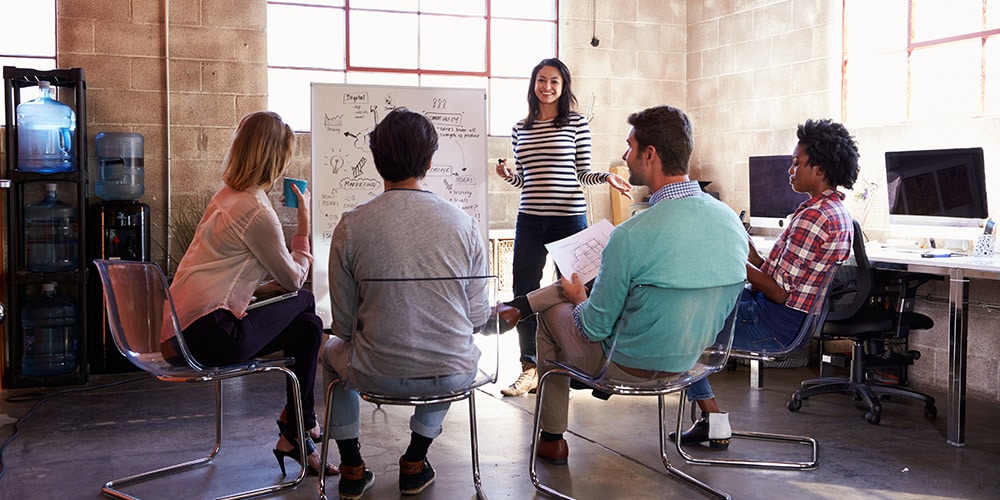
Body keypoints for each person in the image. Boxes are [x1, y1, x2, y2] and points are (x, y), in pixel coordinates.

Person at [501, 104, 749, 464]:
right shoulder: (731, 222)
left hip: (630, 365)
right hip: (694, 361)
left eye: (629, 146)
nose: (624, 155)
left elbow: (592, 326)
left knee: (553, 314)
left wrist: (579, 297)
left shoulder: (631, 234)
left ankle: (552, 438)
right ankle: (518, 305)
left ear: (650, 155)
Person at [322, 107, 491, 499]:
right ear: (431, 161)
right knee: (454, 350)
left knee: (328, 354)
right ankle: (415, 461)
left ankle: (350, 467)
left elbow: (344, 328)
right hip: (448, 374)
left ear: (376, 161)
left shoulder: (350, 226)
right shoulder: (464, 225)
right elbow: (478, 318)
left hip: (373, 371)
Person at [166, 111, 337, 476]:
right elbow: (294, 280)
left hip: (182, 331)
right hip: (212, 337)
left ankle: (295, 434)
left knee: (308, 328)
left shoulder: (225, 198)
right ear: (276, 160)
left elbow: (218, 273)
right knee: (306, 301)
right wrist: (304, 227)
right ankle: (301, 424)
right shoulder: (256, 210)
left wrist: (260, 290)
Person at [670, 118, 858, 450]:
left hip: (774, 321)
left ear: (820, 168)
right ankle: (709, 421)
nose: (790, 169)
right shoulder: (830, 209)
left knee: (682, 324)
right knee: (692, 307)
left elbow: (778, 290)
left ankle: (713, 420)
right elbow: (773, 272)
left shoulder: (815, 216)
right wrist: (741, 243)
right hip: (780, 313)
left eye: (797, 163)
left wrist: (730, 258)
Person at [495, 57, 634, 397]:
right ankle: (529, 367)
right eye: (542, 80)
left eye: (554, 81)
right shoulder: (520, 128)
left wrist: (607, 177)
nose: (547, 87)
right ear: (533, 84)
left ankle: (584, 361)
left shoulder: (575, 123)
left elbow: (582, 172)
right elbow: (525, 180)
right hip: (530, 219)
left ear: (563, 86)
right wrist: (509, 176)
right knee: (523, 292)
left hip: (569, 217)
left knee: (579, 289)